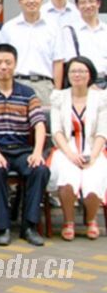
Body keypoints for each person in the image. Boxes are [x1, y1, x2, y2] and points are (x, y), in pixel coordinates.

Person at [0, 44, 49, 247]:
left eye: (8, 62)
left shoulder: (27, 93)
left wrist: (37, 152)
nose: (3, 67)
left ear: (15, 64)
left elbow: (39, 124)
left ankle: (29, 226)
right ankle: (3, 227)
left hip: (22, 150)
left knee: (40, 169)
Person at [48, 56, 107, 241]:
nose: (77, 75)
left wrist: (94, 156)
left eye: (82, 71)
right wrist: (71, 154)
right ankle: (69, 221)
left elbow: (102, 131)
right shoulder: (59, 97)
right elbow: (56, 131)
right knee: (68, 175)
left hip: (93, 147)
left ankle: (91, 220)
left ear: (90, 74)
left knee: (93, 176)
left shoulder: (101, 98)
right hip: (66, 147)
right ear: (67, 74)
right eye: (73, 71)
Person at [2, 0, 65, 106]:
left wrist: (57, 91)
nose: (31, 1)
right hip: (15, 84)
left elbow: (58, 61)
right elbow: (2, 59)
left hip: (44, 86)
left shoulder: (53, 27)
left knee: (46, 118)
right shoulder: (9, 28)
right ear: (19, 1)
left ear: (41, 0)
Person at [64, 0, 107, 86]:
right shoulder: (69, 31)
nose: (88, 6)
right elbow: (71, 61)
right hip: (83, 83)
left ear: (98, 3)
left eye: (91, 1)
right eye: (83, 2)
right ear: (77, 6)